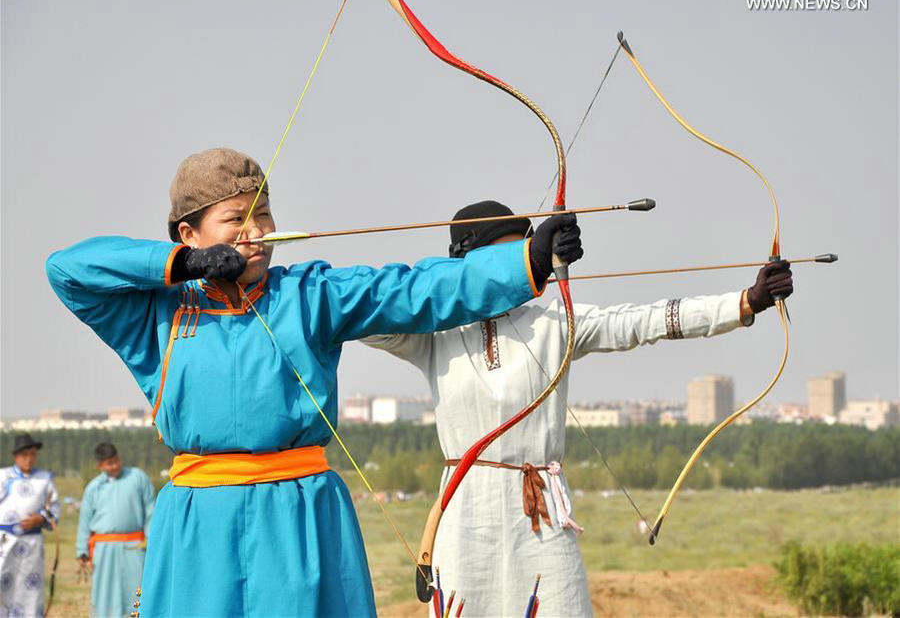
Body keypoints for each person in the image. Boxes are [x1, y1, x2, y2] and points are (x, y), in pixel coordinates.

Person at [45, 148, 584, 617]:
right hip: (196, 521)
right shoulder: (155, 317)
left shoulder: (310, 294)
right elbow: (67, 269)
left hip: (298, 515)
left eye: (264, 217)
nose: (256, 234)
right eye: (236, 220)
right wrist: (183, 264)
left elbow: (412, 289)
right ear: (189, 232)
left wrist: (526, 262)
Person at [362, 200, 794, 617]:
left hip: (540, 513)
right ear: (466, 262)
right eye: (508, 256)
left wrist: (746, 301)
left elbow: (645, 321)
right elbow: (367, 315)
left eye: (527, 250)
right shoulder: (433, 334)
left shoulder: (553, 322)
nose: (521, 265)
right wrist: (454, 286)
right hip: (463, 518)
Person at [76, 442, 155, 618]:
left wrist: (152, 540)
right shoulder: (94, 487)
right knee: (105, 592)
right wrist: (82, 551)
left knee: (136, 590)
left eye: (116, 460)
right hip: (104, 549)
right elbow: (85, 520)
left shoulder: (138, 478)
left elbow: (150, 510)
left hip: (135, 546)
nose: (114, 466)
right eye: (109, 463)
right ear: (100, 465)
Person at [0, 433, 60, 618]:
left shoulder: (45, 479)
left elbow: (55, 508)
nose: (29, 458)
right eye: (24, 455)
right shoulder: (3, 476)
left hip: (32, 545)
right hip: (4, 543)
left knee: (30, 592)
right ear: (15, 456)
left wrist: (41, 519)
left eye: (32, 454)